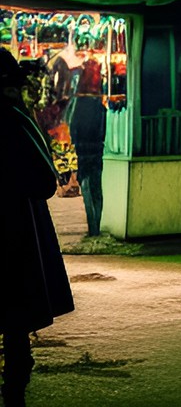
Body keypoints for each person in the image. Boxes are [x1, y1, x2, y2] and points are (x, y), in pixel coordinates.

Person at [0, 48, 74, 407]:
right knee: (15, 330)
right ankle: (14, 396)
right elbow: (46, 182)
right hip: (13, 240)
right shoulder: (14, 121)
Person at [68, 58, 106, 238]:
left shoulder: (80, 101)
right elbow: (102, 128)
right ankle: (95, 226)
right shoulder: (97, 102)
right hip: (95, 149)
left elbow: (72, 124)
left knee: (87, 188)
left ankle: (93, 227)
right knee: (95, 188)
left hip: (83, 149)